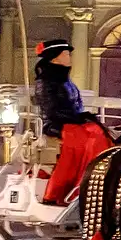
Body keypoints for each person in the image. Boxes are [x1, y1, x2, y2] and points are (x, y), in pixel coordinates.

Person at [34, 40, 109, 204]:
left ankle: (94, 179)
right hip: (56, 124)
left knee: (98, 131)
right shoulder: (45, 82)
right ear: (55, 59)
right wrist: (78, 118)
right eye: (66, 54)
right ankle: (68, 188)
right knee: (87, 137)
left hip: (72, 121)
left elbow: (76, 106)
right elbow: (51, 110)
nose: (70, 58)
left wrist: (82, 117)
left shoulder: (66, 81)